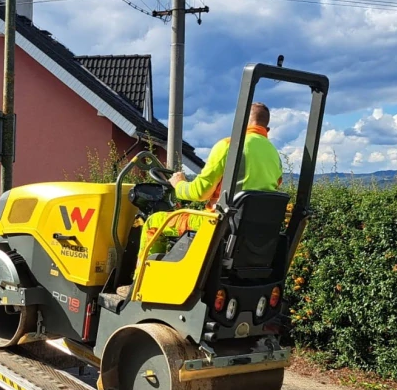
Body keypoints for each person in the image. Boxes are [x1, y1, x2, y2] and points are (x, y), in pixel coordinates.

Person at [116, 103, 283, 299]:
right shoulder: (274, 155)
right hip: (250, 233)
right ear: (267, 129)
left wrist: (178, 184)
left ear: (241, 121)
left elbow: (200, 192)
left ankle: (139, 285)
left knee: (154, 222)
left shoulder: (230, 145)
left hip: (216, 223)